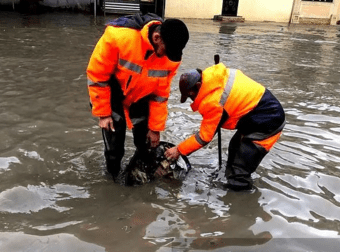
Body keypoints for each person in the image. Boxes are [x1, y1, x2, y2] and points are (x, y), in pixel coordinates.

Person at [86, 13, 189, 181]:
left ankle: (140, 179)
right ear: (156, 38)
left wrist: (155, 129)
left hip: (142, 97)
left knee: (148, 145)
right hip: (112, 96)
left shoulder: (171, 58)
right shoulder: (118, 37)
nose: (167, 56)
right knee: (115, 149)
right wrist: (103, 114)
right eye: (167, 50)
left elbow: (160, 96)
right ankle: (111, 181)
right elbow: (97, 77)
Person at [164, 62, 286, 191]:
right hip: (257, 114)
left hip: (268, 122)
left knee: (239, 171)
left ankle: (239, 199)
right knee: (234, 146)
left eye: (190, 96)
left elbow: (204, 138)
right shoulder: (215, 76)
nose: (191, 100)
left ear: (198, 86)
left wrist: (178, 150)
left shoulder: (213, 102)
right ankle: (231, 181)